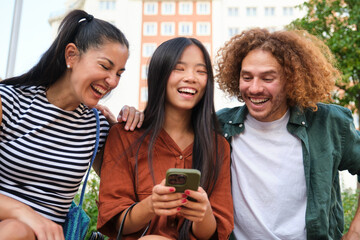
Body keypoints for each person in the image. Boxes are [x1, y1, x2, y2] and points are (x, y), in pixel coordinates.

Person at [0, 10, 143, 240]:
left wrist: (127, 129)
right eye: (106, 67)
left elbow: (134, 187)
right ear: (71, 55)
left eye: (119, 73)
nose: (113, 82)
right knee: (16, 230)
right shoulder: (7, 101)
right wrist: (24, 214)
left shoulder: (97, 127)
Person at [215, 28, 360, 239]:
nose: (254, 88)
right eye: (247, 77)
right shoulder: (220, 126)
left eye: (267, 78)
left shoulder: (327, 122)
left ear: (290, 80)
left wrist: (355, 232)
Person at [97, 37, 234, 240]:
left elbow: (212, 234)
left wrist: (202, 214)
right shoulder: (125, 136)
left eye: (201, 71)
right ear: (159, 74)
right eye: (179, 68)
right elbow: (116, 222)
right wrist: (151, 205)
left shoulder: (218, 146)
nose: (191, 77)